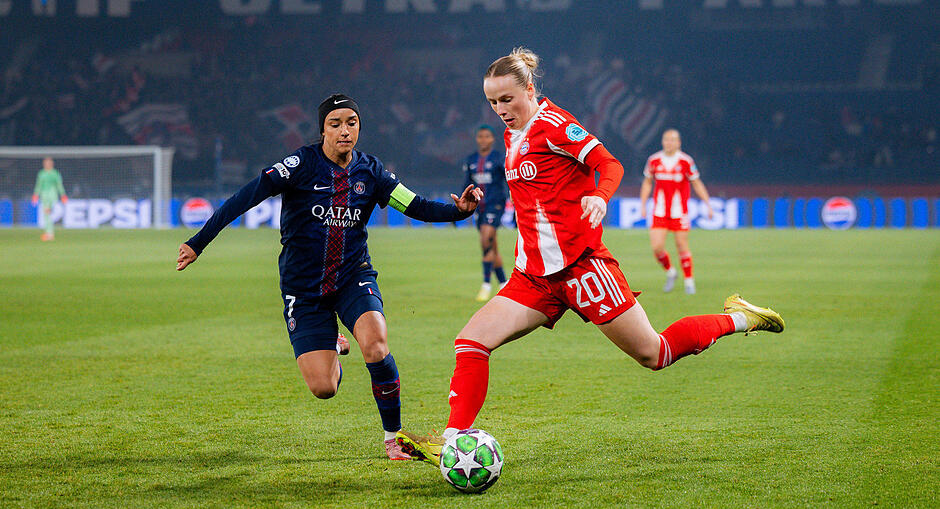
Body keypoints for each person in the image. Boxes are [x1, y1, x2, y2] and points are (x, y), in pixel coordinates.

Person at [396, 48, 784, 464]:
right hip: (533, 276)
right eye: (492, 102)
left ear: (529, 89)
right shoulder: (511, 136)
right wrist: (476, 200)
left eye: (507, 99)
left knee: (655, 353)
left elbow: (609, 164)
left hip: (582, 267)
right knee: (471, 341)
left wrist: (599, 196)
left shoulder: (556, 126)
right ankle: (454, 441)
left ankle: (742, 317)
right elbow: (536, 193)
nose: (500, 110)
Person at [176, 94, 483, 460]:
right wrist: (198, 242)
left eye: (351, 123)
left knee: (376, 343)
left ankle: (393, 437)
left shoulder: (372, 171)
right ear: (322, 129)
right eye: (335, 123)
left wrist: (458, 212)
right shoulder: (300, 165)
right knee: (323, 388)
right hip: (303, 289)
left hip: (353, 276)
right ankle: (332, 344)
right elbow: (245, 198)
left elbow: (413, 205)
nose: (344, 131)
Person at [640, 129, 713, 294]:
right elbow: (647, 183)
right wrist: (643, 204)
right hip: (659, 211)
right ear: (662, 141)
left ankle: (689, 281)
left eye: (672, 140)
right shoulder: (654, 160)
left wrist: (708, 204)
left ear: (678, 142)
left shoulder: (686, 161)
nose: (669, 142)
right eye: (666, 139)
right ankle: (671, 272)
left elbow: (696, 183)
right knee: (657, 247)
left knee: (681, 245)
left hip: (679, 212)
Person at [462, 124, 509, 301]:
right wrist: (460, 206)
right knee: (492, 245)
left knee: (486, 239)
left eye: (486, 136)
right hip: (479, 208)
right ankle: (504, 283)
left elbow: (509, 180)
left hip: (495, 205)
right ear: (477, 139)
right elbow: (466, 185)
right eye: (480, 136)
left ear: (492, 139)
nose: (483, 139)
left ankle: (486, 284)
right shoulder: (471, 160)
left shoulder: (498, 158)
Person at [31, 157, 67, 241]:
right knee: (47, 214)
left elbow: (59, 185)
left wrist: (63, 195)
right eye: (45, 163)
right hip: (44, 196)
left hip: (52, 195)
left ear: (51, 164)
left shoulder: (55, 173)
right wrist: (35, 195)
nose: (46, 164)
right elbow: (38, 185)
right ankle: (49, 233)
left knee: (47, 213)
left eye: (48, 163)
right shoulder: (41, 173)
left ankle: (49, 234)